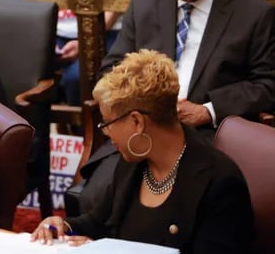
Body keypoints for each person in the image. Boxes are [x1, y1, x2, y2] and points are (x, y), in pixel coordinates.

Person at [32, 49, 254, 254]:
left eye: (108, 122)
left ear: (137, 121)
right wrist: (65, 226)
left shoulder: (219, 183)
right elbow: (99, 222)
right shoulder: (133, 159)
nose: (106, 132)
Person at [104, 0, 275, 133]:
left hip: (211, 134)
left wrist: (208, 111)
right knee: (100, 167)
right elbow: (112, 68)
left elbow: (267, 85)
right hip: (145, 130)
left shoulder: (253, 13)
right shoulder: (143, 6)